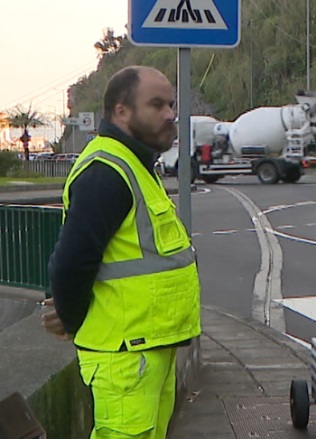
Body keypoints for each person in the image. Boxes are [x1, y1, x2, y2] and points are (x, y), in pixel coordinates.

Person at [41, 65, 200, 439]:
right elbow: (71, 261)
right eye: (157, 104)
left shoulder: (135, 165)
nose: (169, 114)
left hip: (149, 349)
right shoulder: (107, 171)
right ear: (121, 111)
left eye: (171, 105)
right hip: (125, 356)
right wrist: (70, 316)